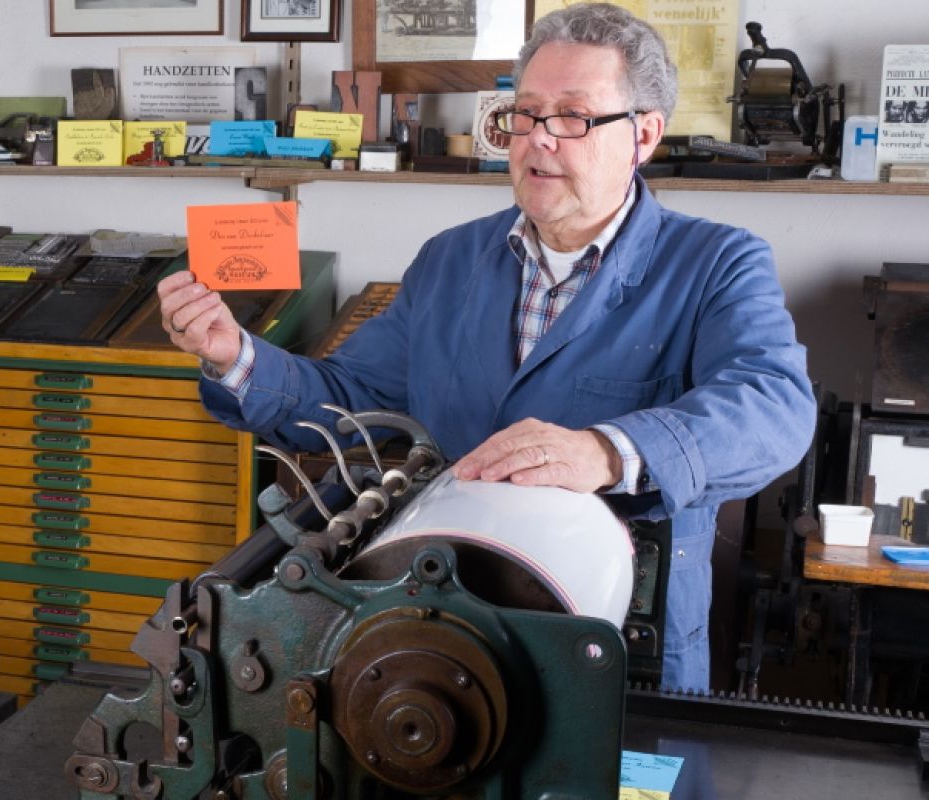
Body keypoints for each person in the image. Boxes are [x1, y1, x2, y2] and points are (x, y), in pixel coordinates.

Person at [157, 2, 814, 692]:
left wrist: (603, 451)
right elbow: (349, 399)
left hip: (613, 644)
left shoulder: (715, 263)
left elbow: (772, 408)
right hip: (440, 627)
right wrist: (233, 356)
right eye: (524, 115)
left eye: (572, 117)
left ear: (643, 135)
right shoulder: (450, 259)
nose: (538, 140)